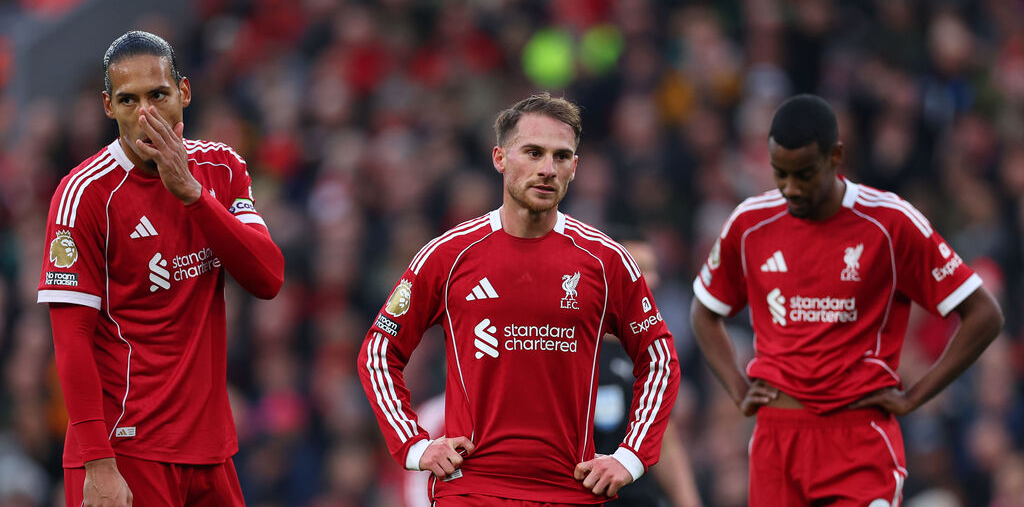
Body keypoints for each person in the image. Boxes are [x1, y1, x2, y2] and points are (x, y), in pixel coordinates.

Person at [358, 92, 680, 506]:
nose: (548, 169)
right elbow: (379, 352)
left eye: (561, 157)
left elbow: (659, 357)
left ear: (574, 167)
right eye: (533, 152)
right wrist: (414, 445)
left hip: (571, 491)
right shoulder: (448, 256)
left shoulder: (605, 261)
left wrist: (631, 457)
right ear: (500, 158)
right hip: (473, 490)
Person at [690, 93, 1004, 506]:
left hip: (859, 440)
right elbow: (704, 311)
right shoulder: (750, 223)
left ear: (835, 156)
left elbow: (984, 314)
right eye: (780, 174)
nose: (790, 188)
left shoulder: (889, 221)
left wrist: (916, 395)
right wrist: (736, 388)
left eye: (804, 174)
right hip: (776, 441)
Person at [37, 31, 284, 506]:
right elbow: (71, 341)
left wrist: (193, 196)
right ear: (108, 107)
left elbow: (268, 277)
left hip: (210, 450)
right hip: (125, 452)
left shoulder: (221, 169)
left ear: (184, 92)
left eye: (158, 95)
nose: (145, 113)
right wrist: (98, 463)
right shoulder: (83, 195)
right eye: (128, 100)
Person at [594, 236, 702, 507]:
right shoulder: (571, 347)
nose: (651, 280)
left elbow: (666, 440)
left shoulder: (654, 354)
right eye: (638, 268)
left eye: (653, 269)